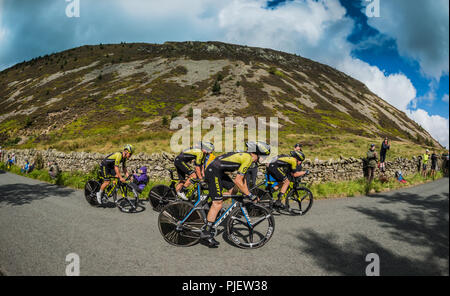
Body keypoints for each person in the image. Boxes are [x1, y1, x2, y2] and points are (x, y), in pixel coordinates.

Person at [201, 141, 271, 247]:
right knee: (218, 203)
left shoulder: (247, 158)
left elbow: (243, 182)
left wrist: (247, 192)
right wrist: (250, 195)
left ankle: (210, 205)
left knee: (233, 191)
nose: (262, 159)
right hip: (214, 171)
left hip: (218, 171)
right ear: (257, 153)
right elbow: (238, 180)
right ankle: (206, 232)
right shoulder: (248, 159)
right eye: (262, 156)